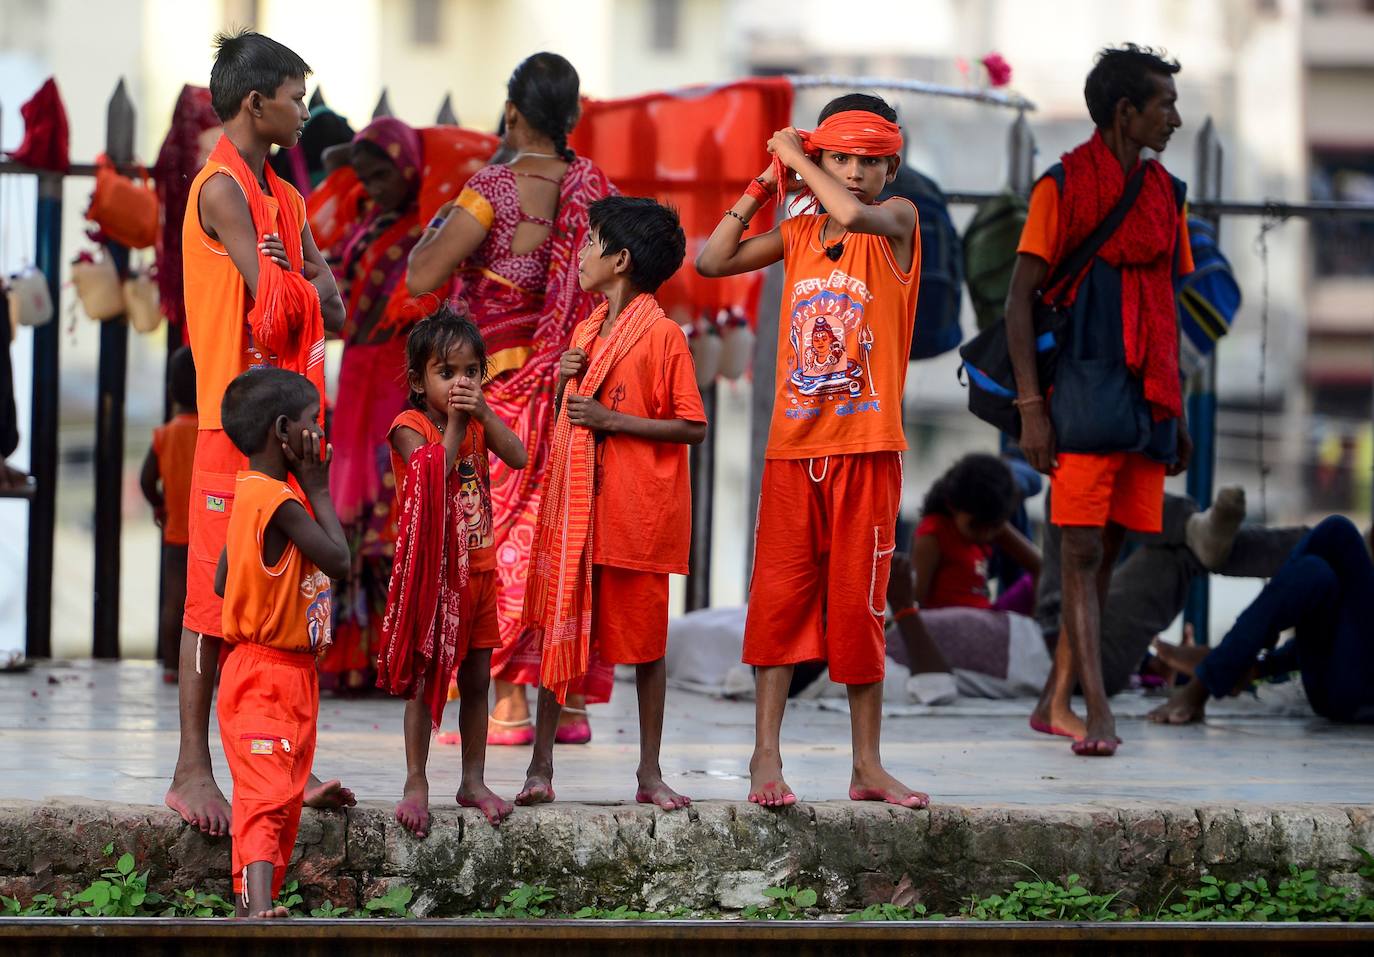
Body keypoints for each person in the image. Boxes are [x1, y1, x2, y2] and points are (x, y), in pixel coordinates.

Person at [696, 92, 925, 809]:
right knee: (779, 604)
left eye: (869, 161)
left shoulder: (898, 223)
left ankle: (867, 764)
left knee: (860, 608)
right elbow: (711, 260)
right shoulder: (798, 229)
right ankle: (766, 755)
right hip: (793, 450)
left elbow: (854, 213)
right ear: (823, 157)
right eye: (841, 158)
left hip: (867, 447)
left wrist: (797, 158)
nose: (855, 173)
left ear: (891, 167)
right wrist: (768, 181)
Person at [168, 29, 350, 838]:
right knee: (214, 603)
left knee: (285, 600)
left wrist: (291, 273)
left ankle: (277, 764)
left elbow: (329, 309)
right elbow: (280, 303)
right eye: (297, 96)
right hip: (231, 426)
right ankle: (191, 769)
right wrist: (291, 276)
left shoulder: (287, 196)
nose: (304, 111)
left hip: (287, 428)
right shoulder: (222, 190)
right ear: (256, 102)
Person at [407, 53, 616, 745]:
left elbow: (421, 276)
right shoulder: (595, 189)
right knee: (561, 542)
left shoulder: (493, 190)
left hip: (497, 395)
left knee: (492, 544)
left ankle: (507, 707)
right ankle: (571, 704)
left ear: (513, 113)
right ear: (573, 118)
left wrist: (441, 222)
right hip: (572, 386)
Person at [1005, 44, 1193, 757]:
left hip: (1146, 398)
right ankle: (1097, 708)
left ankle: (1055, 701)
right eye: (1163, 104)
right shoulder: (1061, 187)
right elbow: (1019, 302)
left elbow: (1170, 306)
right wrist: (1031, 408)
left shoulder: (1168, 195)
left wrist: (1172, 413)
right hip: (1082, 393)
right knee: (1079, 548)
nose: (1174, 117)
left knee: (1108, 549)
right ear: (1126, 112)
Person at [515, 196, 705, 811]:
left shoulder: (665, 335)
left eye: (592, 242)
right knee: (557, 638)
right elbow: (576, 411)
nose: (582, 253)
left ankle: (650, 774)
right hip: (581, 515)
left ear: (621, 260)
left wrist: (610, 418)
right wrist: (569, 373)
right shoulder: (588, 329)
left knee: (648, 652)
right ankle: (540, 769)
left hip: (636, 519)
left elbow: (691, 426)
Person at [380, 306, 527, 836]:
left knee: (477, 679)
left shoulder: (477, 422)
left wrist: (483, 415)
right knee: (422, 681)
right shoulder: (409, 426)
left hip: (480, 570)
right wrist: (461, 423)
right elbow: (432, 474)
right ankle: (416, 781)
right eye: (447, 373)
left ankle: (472, 778)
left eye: (470, 372)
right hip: (431, 575)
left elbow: (520, 455)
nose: (461, 382)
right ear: (419, 383)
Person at [212, 366, 349, 918]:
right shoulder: (286, 504)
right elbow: (338, 560)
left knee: (277, 797)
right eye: (314, 422)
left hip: (269, 671)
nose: (321, 433)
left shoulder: (251, 492)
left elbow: (225, 580)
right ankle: (262, 910)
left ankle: (250, 904)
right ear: (285, 430)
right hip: (269, 674)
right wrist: (318, 486)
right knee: (269, 795)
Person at [320, 117, 426, 694]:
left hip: (392, 374)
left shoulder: (426, 230)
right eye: (365, 176)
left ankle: (393, 659)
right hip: (357, 373)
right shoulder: (366, 222)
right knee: (350, 512)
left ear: (408, 168)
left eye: (382, 174)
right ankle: (350, 657)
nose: (374, 185)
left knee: (390, 510)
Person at [1037, 488, 1307, 696]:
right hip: (1060, 649)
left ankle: (1194, 529)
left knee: (1072, 486)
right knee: (1182, 552)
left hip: (1057, 621)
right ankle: (1319, 546)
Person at [1148, 516, 1374, 725]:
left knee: (1337, 531)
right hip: (1339, 692)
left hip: (1358, 696)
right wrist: (1263, 667)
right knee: (1315, 573)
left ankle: (1214, 672)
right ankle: (1231, 664)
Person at [914, 453, 1040, 615]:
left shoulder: (989, 522)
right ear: (952, 506)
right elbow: (917, 598)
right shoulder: (933, 533)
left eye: (993, 528)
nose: (985, 536)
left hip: (985, 619)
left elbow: (1038, 567)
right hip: (946, 624)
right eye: (975, 527)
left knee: (1050, 578)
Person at [139, 346, 199, 683]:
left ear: (170, 390)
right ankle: (212, 665)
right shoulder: (214, 434)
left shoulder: (165, 435)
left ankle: (171, 666)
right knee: (210, 602)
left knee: (174, 601)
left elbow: (146, 480)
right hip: (210, 534)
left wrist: (160, 505)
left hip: (176, 534)